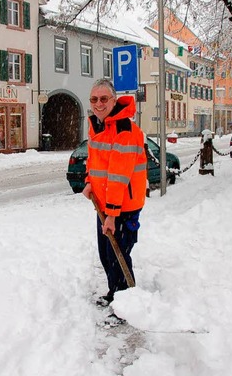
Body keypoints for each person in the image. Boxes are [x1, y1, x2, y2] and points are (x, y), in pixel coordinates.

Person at [82, 79, 147, 308]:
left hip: (123, 207)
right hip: (105, 204)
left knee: (119, 257)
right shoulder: (98, 126)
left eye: (103, 99)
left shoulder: (124, 130)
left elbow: (118, 178)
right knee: (106, 254)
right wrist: (89, 182)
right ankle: (114, 294)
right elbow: (94, 162)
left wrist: (111, 214)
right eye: (94, 99)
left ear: (114, 100)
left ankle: (126, 305)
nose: (98, 104)